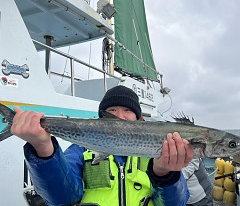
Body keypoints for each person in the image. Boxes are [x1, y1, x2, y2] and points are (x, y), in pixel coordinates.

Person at [11, 85, 194, 206]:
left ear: (140, 119)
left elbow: (176, 203)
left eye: (127, 110)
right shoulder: (82, 151)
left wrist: (165, 174)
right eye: (112, 111)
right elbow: (60, 198)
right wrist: (42, 148)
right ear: (102, 119)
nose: (120, 116)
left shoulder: (158, 156)